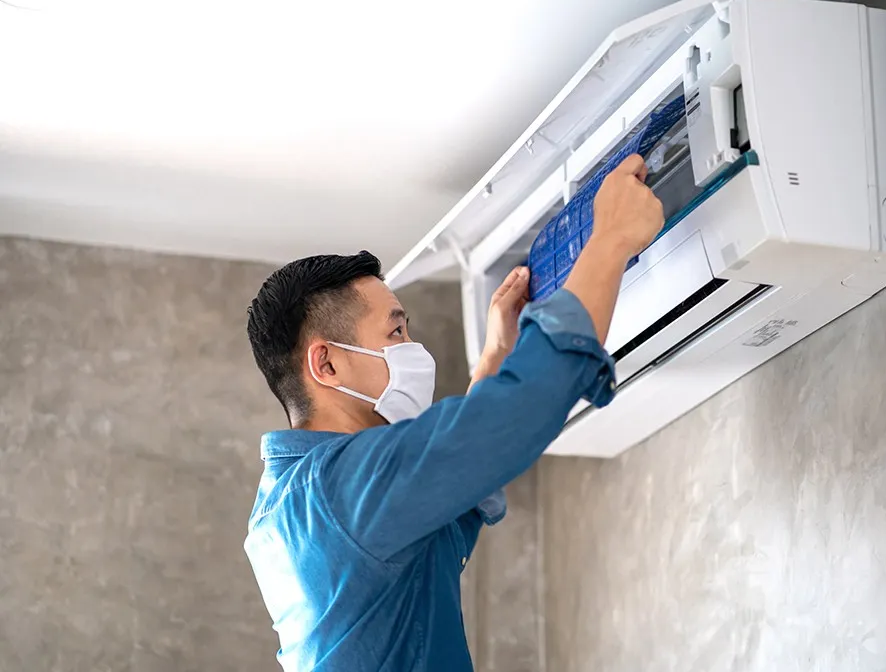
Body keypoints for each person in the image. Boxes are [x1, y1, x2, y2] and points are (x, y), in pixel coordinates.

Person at [243, 154, 664, 671]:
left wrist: (493, 363)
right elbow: (516, 418)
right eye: (396, 332)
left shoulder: (294, 507)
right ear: (326, 363)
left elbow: (449, 507)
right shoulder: (337, 492)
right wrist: (611, 240)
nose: (412, 348)